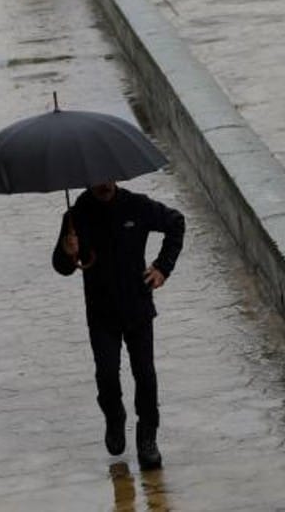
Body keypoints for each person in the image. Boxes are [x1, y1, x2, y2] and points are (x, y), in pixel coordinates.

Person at [52, 181, 185, 470]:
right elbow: (62, 267)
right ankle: (115, 417)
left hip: (137, 307)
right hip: (101, 313)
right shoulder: (76, 216)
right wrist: (66, 250)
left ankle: (147, 437)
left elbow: (176, 223)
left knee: (145, 375)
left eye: (107, 177)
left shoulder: (137, 205)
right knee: (107, 374)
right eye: (96, 178)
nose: (103, 183)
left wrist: (163, 267)